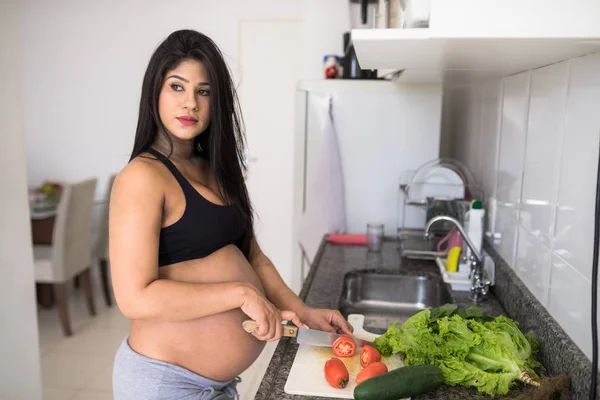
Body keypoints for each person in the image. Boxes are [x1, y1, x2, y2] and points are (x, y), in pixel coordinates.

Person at [109, 29, 354, 399]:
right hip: (165, 385)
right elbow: (134, 298)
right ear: (155, 92)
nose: (190, 103)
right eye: (177, 87)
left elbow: (253, 256)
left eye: (203, 91)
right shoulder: (142, 177)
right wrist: (239, 294)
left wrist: (303, 311)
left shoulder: (217, 169)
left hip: (215, 386)